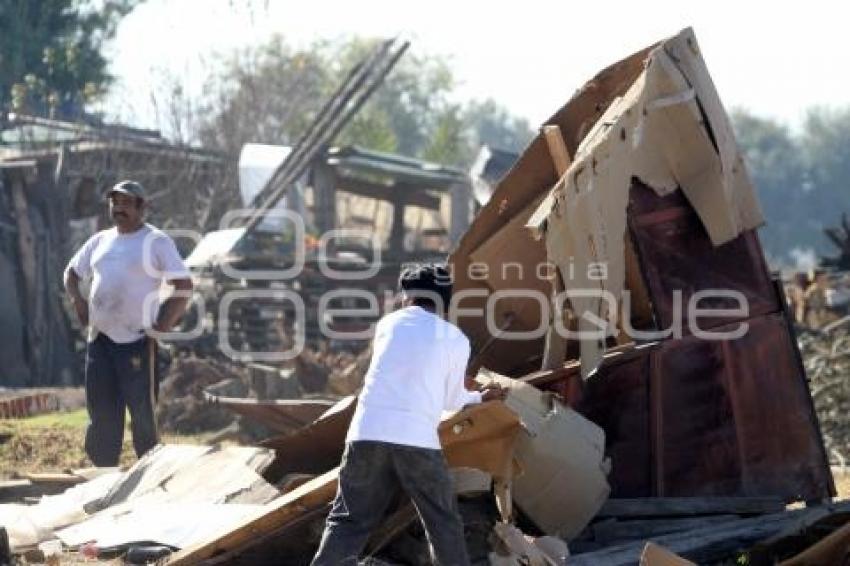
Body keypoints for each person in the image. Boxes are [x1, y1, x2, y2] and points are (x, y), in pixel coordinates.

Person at [311, 264, 506, 566]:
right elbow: (452, 401)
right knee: (442, 522)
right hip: (417, 440)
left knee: (348, 521)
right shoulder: (455, 338)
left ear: (406, 297)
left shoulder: (387, 325)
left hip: (365, 433)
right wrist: (482, 396)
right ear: (444, 303)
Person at [63, 180, 192, 466]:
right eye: (114, 202)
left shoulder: (156, 241)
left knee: (143, 416)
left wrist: (162, 325)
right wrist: (78, 300)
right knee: (102, 412)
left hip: (136, 342)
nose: (118, 208)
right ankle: (103, 473)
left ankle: (150, 473)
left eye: (125, 203)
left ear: (141, 207)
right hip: (100, 340)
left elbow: (184, 285)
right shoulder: (100, 241)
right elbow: (71, 273)